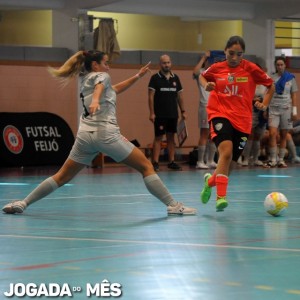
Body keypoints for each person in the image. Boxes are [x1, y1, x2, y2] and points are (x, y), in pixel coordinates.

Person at [2, 50, 196, 216]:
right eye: (106, 63)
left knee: (61, 176)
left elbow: (112, 90)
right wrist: (95, 100)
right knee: (146, 166)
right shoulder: (101, 78)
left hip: (85, 136)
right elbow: (101, 87)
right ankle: (173, 205)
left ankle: (23, 203)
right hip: (106, 134)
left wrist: (137, 77)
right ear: (95, 65)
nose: (108, 67)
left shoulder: (85, 79)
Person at [199, 36, 274, 211]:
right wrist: (206, 85)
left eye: (238, 54)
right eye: (231, 53)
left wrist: (265, 104)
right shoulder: (217, 67)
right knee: (225, 153)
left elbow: (270, 85)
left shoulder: (251, 69)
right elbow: (203, 76)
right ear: (225, 51)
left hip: (243, 120)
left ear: (243, 55)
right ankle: (221, 198)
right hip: (220, 114)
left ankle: (210, 182)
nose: (234, 58)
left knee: (230, 164)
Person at [148, 54, 186, 172]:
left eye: (168, 62)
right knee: (158, 137)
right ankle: (155, 162)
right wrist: (152, 113)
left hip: (173, 114)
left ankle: (172, 162)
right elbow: (150, 97)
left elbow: (180, 96)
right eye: (164, 63)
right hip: (160, 114)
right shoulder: (155, 78)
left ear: (171, 63)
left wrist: (183, 111)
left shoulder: (176, 78)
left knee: (171, 138)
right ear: (160, 64)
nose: (166, 65)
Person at [266, 56, 298, 168]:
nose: (280, 66)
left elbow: (293, 95)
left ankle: (281, 160)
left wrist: (294, 111)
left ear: (285, 65)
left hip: (286, 109)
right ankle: (273, 159)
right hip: (273, 109)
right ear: (275, 66)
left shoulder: (290, 78)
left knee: (284, 135)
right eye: (278, 64)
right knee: (272, 134)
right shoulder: (271, 78)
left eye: (281, 64)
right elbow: (267, 94)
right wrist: (265, 108)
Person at [192, 51, 217, 169]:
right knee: (204, 133)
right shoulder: (201, 73)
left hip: (216, 108)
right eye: (209, 61)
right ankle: (200, 161)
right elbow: (195, 71)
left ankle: (210, 160)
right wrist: (203, 58)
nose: (211, 63)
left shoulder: (216, 74)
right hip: (205, 106)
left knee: (214, 134)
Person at [240, 81, 268, 167]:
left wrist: (265, 109)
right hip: (250, 111)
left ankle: (256, 159)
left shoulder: (264, 85)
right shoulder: (248, 83)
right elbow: (243, 97)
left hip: (260, 112)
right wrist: (253, 99)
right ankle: (246, 158)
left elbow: (267, 98)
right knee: (249, 135)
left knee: (257, 137)